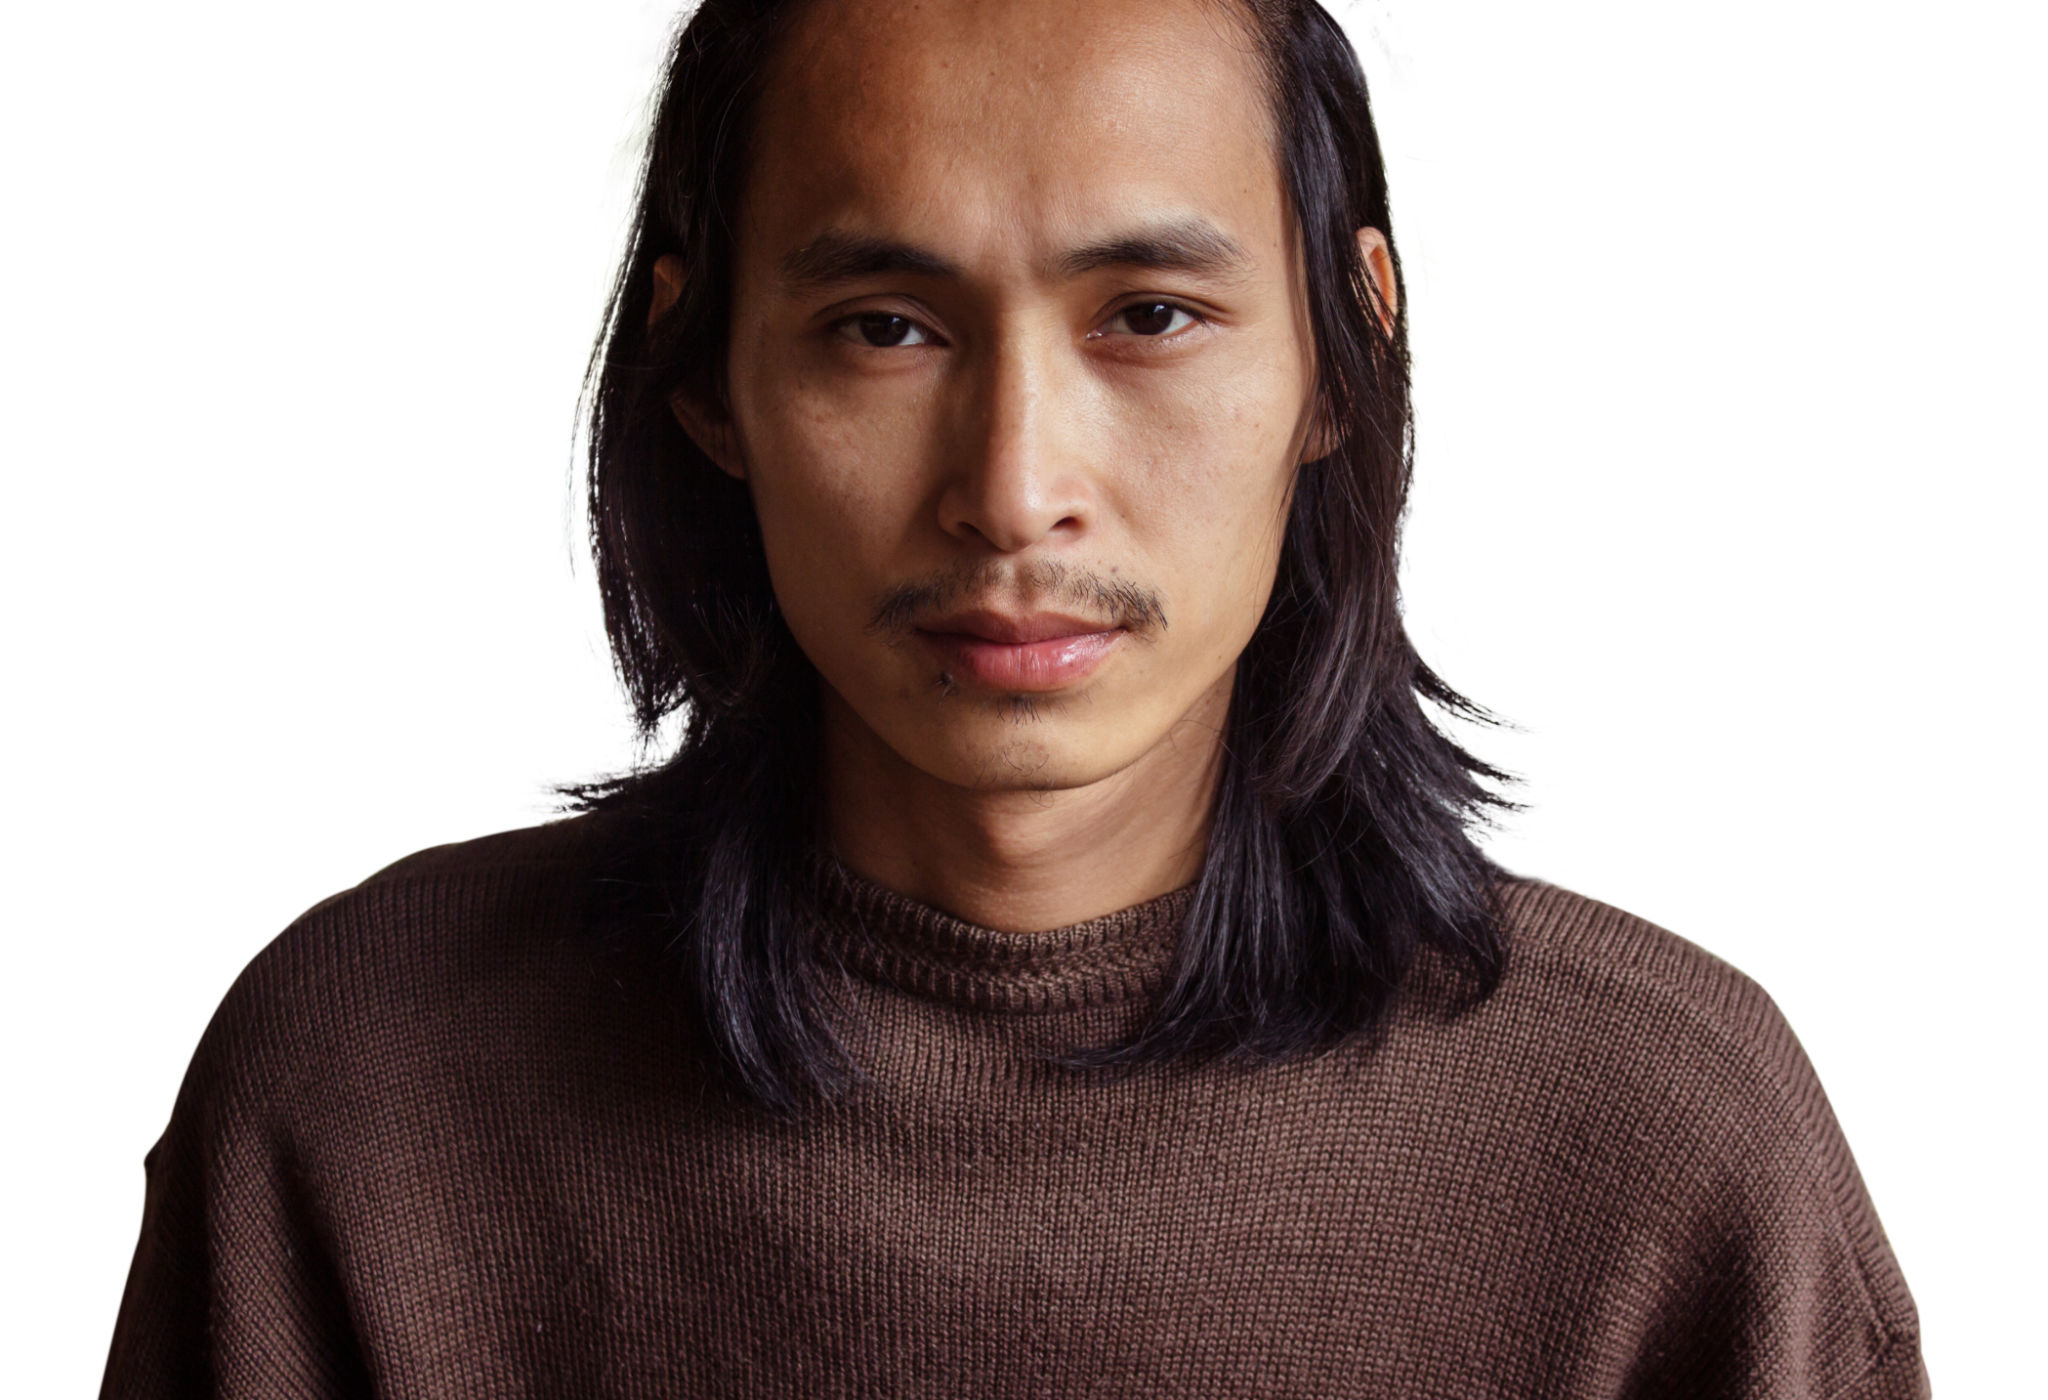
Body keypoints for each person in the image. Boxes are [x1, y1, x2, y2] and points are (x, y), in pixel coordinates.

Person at [100, 0, 1929, 1394]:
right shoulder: (365, 1102)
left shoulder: (1661, 1160)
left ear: (1346, 344)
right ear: (708, 368)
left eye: (1148, 313)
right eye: (884, 328)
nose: (1012, 485)